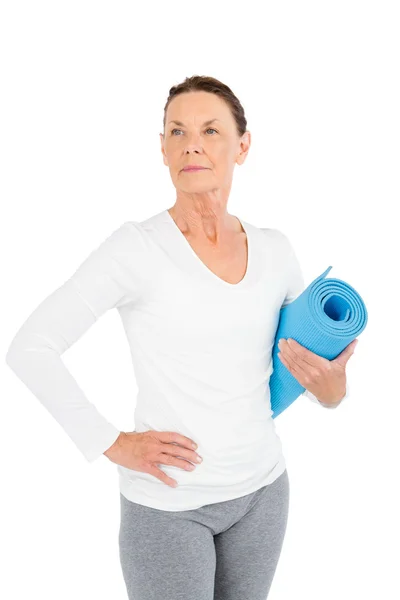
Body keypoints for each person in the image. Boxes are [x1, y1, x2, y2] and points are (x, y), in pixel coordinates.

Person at [5, 75, 349, 600]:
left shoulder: (277, 251)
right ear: (162, 149)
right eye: (176, 131)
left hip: (263, 493)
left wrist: (333, 393)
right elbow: (31, 347)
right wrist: (112, 443)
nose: (191, 143)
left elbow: (295, 369)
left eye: (211, 130)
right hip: (168, 505)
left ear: (243, 145)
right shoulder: (136, 248)